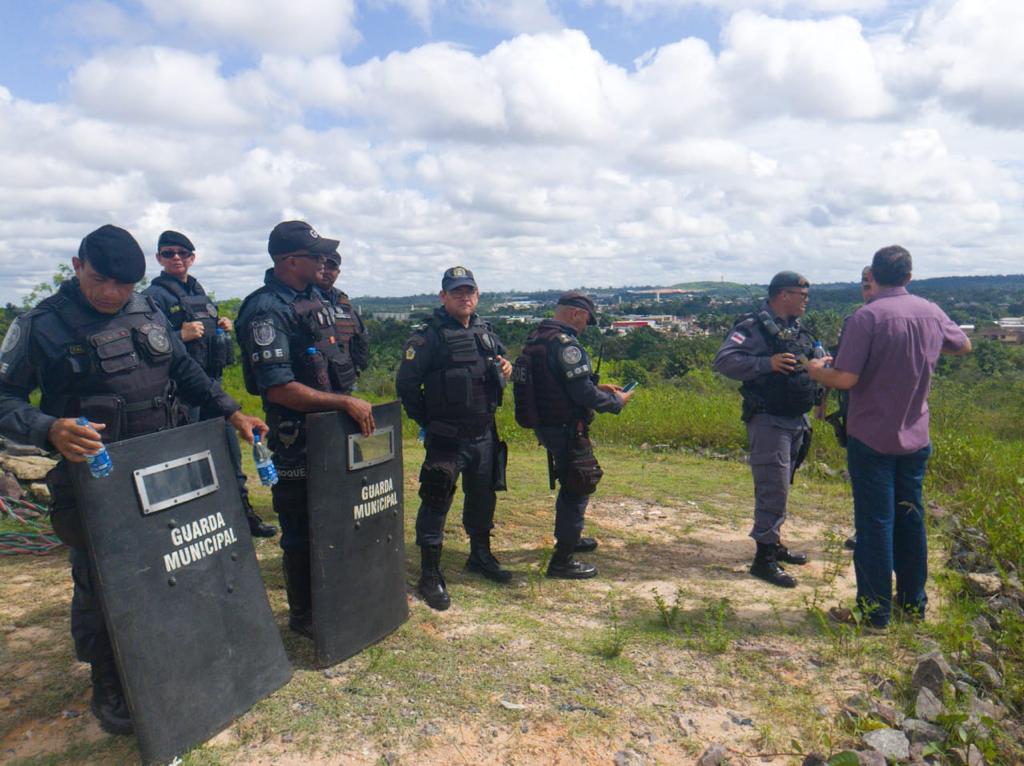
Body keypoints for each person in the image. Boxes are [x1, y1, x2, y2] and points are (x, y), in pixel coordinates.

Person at [0, 224, 268, 735]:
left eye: (123, 285)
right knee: (101, 580)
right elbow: (4, 398)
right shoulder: (41, 325)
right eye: (100, 280)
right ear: (78, 266)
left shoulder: (147, 310)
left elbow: (186, 373)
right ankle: (110, 680)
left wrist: (233, 413)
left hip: (164, 466)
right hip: (95, 478)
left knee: (174, 565)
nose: (111, 294)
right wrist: (47, 428)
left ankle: (174, 655)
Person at [808, 246, 970, 630]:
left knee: (875, 522)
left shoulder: (867, 318)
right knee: (910, 518)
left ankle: (873, 612)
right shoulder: (930, 311)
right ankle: (913, 605)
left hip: (872, 435)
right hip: (915, 434)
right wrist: (925, 345)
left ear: (874, 277)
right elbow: (964, 345)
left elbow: (846, 378)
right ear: (909, 277)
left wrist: (815, 370)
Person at [236, 221, 375, 639]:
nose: (323, 262)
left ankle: (337, 594)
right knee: (301, 529)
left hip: (334, 431)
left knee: (339, 519)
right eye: (316, 256)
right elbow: (278, 388)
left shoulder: (315, 299)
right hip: (299, 437)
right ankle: (305, 615)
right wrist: (344, 402)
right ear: (290, 260)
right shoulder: (266, 309)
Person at [143, 230, 277, 538]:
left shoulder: (199, 293)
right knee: (188, 461)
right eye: (168, 253)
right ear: (159, 259)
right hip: (179, 394)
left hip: (212, 388)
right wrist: (179, 336)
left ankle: (243, 515)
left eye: (182, 252)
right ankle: (191, 524)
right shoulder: (154, 297)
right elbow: (148, 348)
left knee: (229, 453)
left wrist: (221, 325)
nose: (175, 257)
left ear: (192, 257)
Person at [395, 266, 512, 611]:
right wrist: (429, 421)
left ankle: (479, 555)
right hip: (447, 437)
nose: (465, 297)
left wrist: (506, 366)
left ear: (477, 295)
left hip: (484, 435)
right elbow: (406, 387)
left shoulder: (485, 331)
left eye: (470, 291)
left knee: (483, 496)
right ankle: (429, 574)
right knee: (436, 500)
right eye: (457, 292)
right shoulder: (426, 338)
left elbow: (501, 363)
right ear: (443, 296)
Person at [513, 291, 632, 579]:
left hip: (547, 424)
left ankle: (571, 538)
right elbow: (580, 393)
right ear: (577, 314)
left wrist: (598, 388)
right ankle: (562, 559)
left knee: (571, 482)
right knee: (579, 483)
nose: (584, 327)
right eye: (586, 320)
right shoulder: (566, 345)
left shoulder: (537, 338)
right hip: (566, 428)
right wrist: (616, 402)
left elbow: (556, 384)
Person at [713, 272, 819, 588]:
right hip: (769, 420)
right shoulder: (754, 327)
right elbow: (725, 361)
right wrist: (766, 364)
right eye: (802, 295)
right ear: (783, 295)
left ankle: (774, 543)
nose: (806, 301)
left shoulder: (795, 330)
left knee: (782, 484)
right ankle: (764, 559)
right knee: (773, 487)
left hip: (796, 419)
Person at [823, 266, 879, 550]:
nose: (868, 292)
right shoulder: (853, 320)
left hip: (886, 413)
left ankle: (877, 534)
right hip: (855, 410)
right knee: (863, 477)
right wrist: (823, 401)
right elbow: (839, 364)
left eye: (872, 285)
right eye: (864, 286)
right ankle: (864, 530)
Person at [315, 246, 369, 383]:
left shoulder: (343, 301)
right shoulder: (301, 298)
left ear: (338, 272)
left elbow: (360, 338)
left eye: (331, 268)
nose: (326, 271)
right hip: (314, 377)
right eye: (323, 265)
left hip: (343, 377)